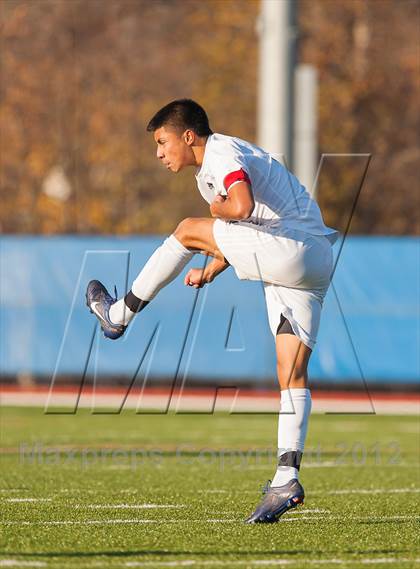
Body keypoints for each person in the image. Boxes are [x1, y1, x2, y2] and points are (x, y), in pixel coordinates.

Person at [86, 99, 338, 524]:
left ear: (188, 136)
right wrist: (213, 267)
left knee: (186, 230)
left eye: (163, 142)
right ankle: (285, 477)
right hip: (312, 261)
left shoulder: (220, 153)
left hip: (294, 248)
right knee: (290, 372)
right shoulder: (217, 164)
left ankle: (119, 315)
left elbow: (238, 208)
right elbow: (251, 225)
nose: (159, 153)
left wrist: (215, 215)